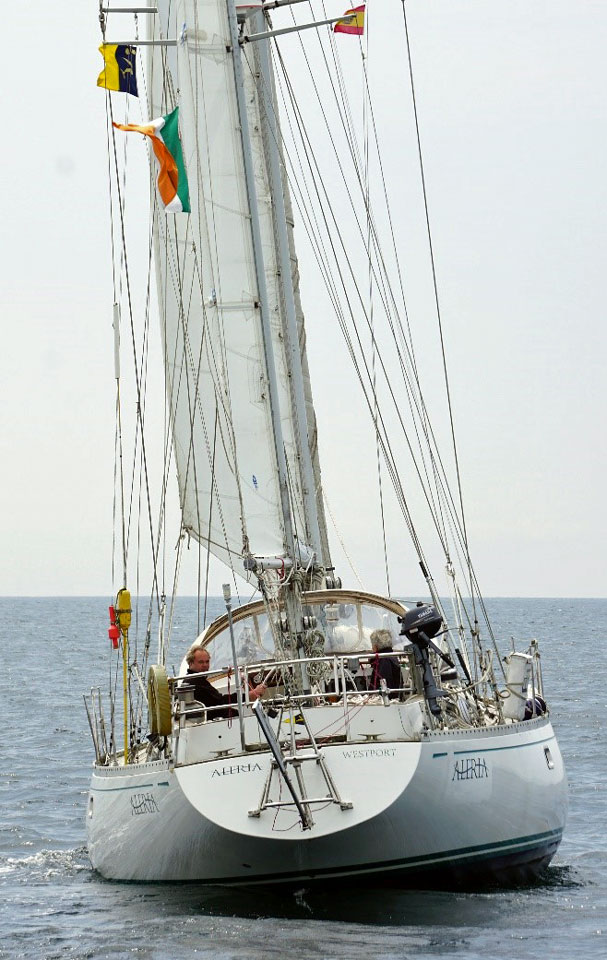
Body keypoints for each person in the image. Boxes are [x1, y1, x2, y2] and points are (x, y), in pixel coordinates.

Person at [186, 646, 266, 719]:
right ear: (190, 663)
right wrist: (249, 695)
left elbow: (218, 701)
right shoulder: (196, 681)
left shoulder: (192, 680)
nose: (205, 665)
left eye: (207, 662)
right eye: (201, 662)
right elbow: (221, 701)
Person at [368, 629, 401, 699]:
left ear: (376, 647)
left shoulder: (384, 660)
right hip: (394, 697)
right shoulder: (391, 657)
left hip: (386, 701)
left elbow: (384, 683)